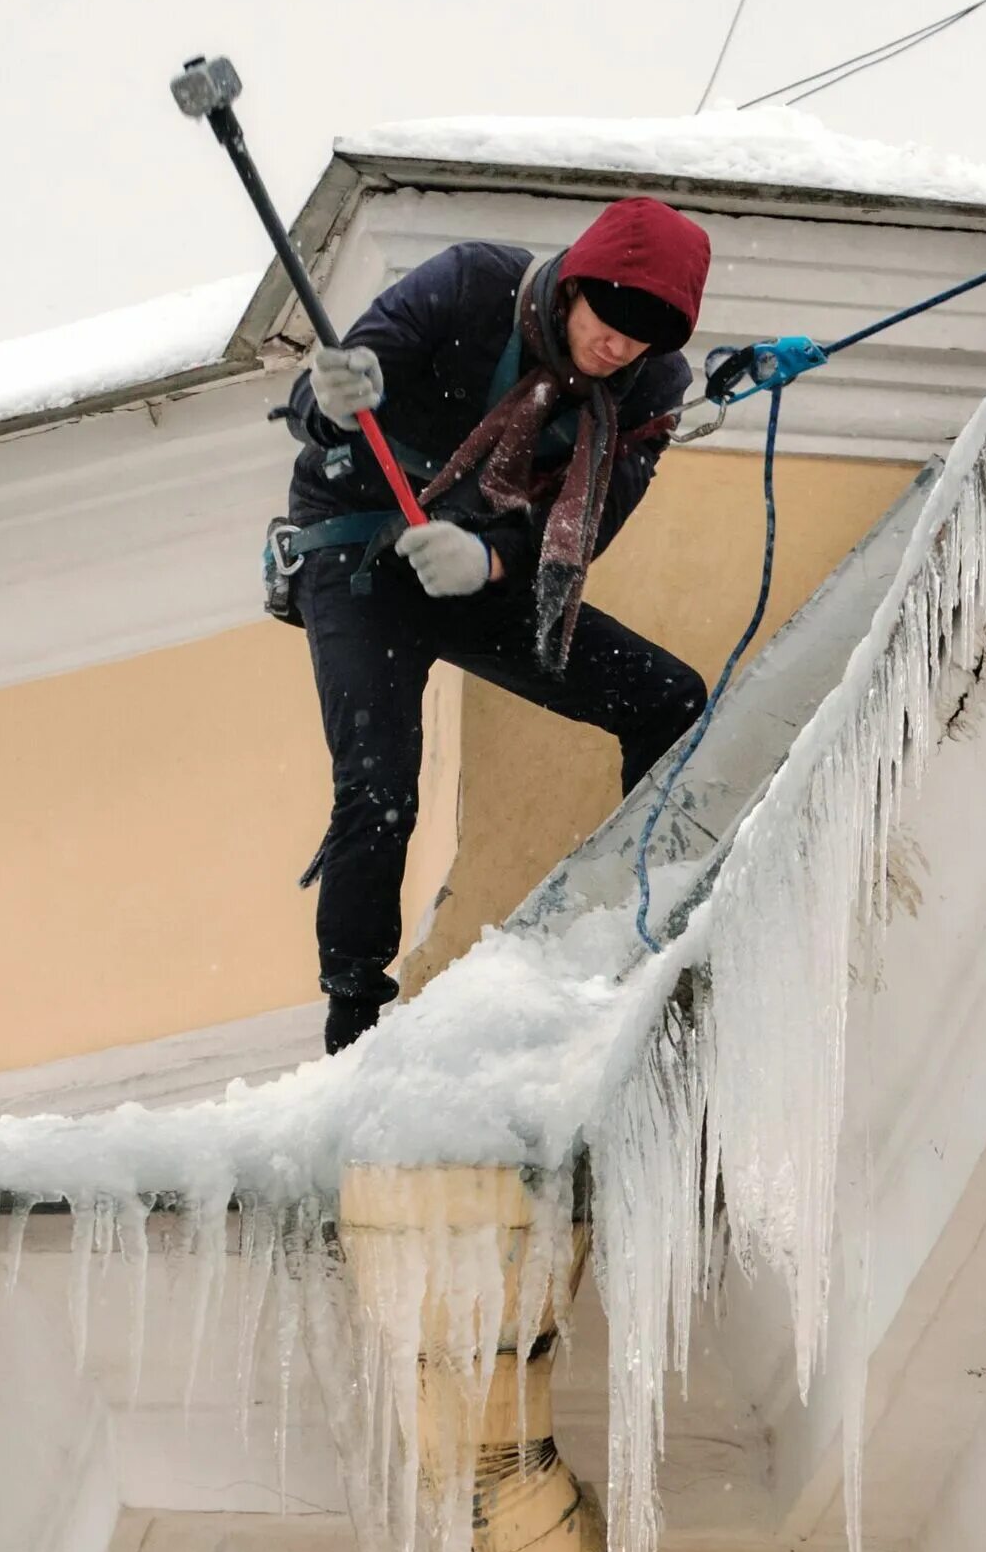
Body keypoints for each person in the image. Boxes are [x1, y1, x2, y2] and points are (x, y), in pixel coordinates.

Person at [279, 197, 712, 1053]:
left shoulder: (651, 391)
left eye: (647, 333)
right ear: (576, 285)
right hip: (361, 552)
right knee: (380, 790)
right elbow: (320, 401)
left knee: (670, 699)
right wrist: (334, 395)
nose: (620, 343)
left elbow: (595, 519)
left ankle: (654, 917)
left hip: (489, 575)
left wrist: (490, 562)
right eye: (613, 314)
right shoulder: (471, 285)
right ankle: (352, 1026)